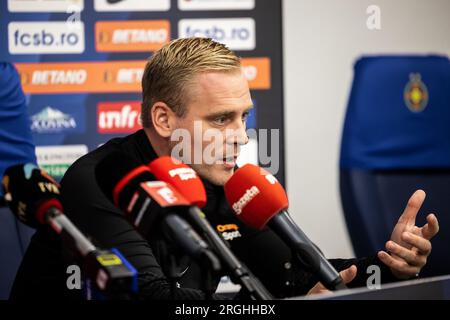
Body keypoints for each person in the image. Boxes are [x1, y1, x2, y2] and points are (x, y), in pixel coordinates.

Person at [10, 38, 439, 300]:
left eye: (243, 117)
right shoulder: (99, 178)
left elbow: (301, 279)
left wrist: (388, 266)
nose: (241, 137)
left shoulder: (226, 182)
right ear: (163, 120)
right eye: (220, 119)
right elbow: (155, 299)